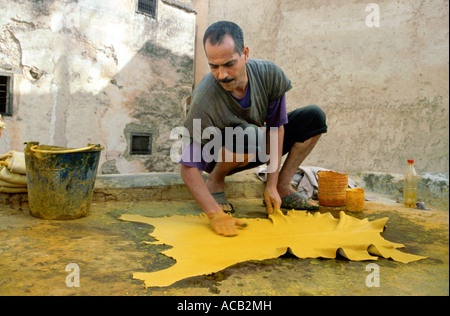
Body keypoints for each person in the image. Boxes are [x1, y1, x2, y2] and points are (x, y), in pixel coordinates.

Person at [179, 21, 327, 236]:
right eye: (214, 66)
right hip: (219, 153)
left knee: (313, 117)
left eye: (229, 64)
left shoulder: (269, 75)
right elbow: (188, 167)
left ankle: (284, 187)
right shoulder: (204, 99)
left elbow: (276, 128)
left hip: (256, 144)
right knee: (247, 132)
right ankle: (216, 182)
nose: (222, 75)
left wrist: (272, 185)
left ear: (245, 53)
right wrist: (213, 213)